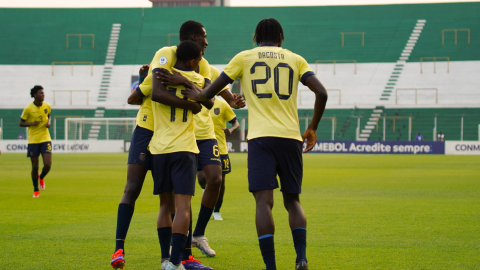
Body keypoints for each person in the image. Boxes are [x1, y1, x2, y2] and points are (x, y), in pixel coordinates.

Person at [183, 18, 328, 270]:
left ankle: (270, 266)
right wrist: (312, 127)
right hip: (291, 137)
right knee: (293, 201)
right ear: (281, 37)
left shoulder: (244, 57)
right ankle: (301, 258)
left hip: (261, 138)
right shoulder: (295, 58)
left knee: (264, 202)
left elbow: (212, 91)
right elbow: (322, 93)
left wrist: (195, 93)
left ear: (256, 38)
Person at [154, 20, 246, 259]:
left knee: (215, 179)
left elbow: (215, 90)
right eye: (204, 36)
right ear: (194, 38)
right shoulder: (170, 57)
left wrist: (232, 100)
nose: (207, 41)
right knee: (184, 193)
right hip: (182, 134)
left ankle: (198, 235)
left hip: (205, 133)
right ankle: (181, 250)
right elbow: (157, 89)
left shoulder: (203, 64)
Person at [150, 40, 209, 270]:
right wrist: (193, 104)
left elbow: (151, 93)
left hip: (160, 148)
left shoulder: (162, 74)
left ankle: (165, 259)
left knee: (164, 206)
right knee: (183, 206)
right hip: (184, 148)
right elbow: (207, 100)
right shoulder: (196, 80)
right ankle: (176, 262)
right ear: (193, 61)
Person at [110, 64, 152, 269]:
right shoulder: (157, 73)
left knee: (169, 194)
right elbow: (134, 98)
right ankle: (119, 249)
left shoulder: (185, 74)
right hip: (145, 131)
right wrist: (143, 78)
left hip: (171, 135)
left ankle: (172, 254)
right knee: (132, 188)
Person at [197, 95, 239, 221]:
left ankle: (216, 211)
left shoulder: (222, 104)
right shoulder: (197, 101)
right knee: (202, 178)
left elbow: (235, 122)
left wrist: (231, 130)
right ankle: (208, 195)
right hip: (201, 145)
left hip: (220, 148)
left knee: (221, 181)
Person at [19, 85, 53, 198]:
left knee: (47, 165)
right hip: (33, 141)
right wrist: (32, 124)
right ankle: (35, 189)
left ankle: (41, 177)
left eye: (43, 93)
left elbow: (49, 115)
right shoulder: (28, 109)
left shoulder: (47, 105)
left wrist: (49, 122)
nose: (43, 95)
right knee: (35, 166)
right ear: (35, 95)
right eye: (41, 93)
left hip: (45, 138)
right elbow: (21, 123)